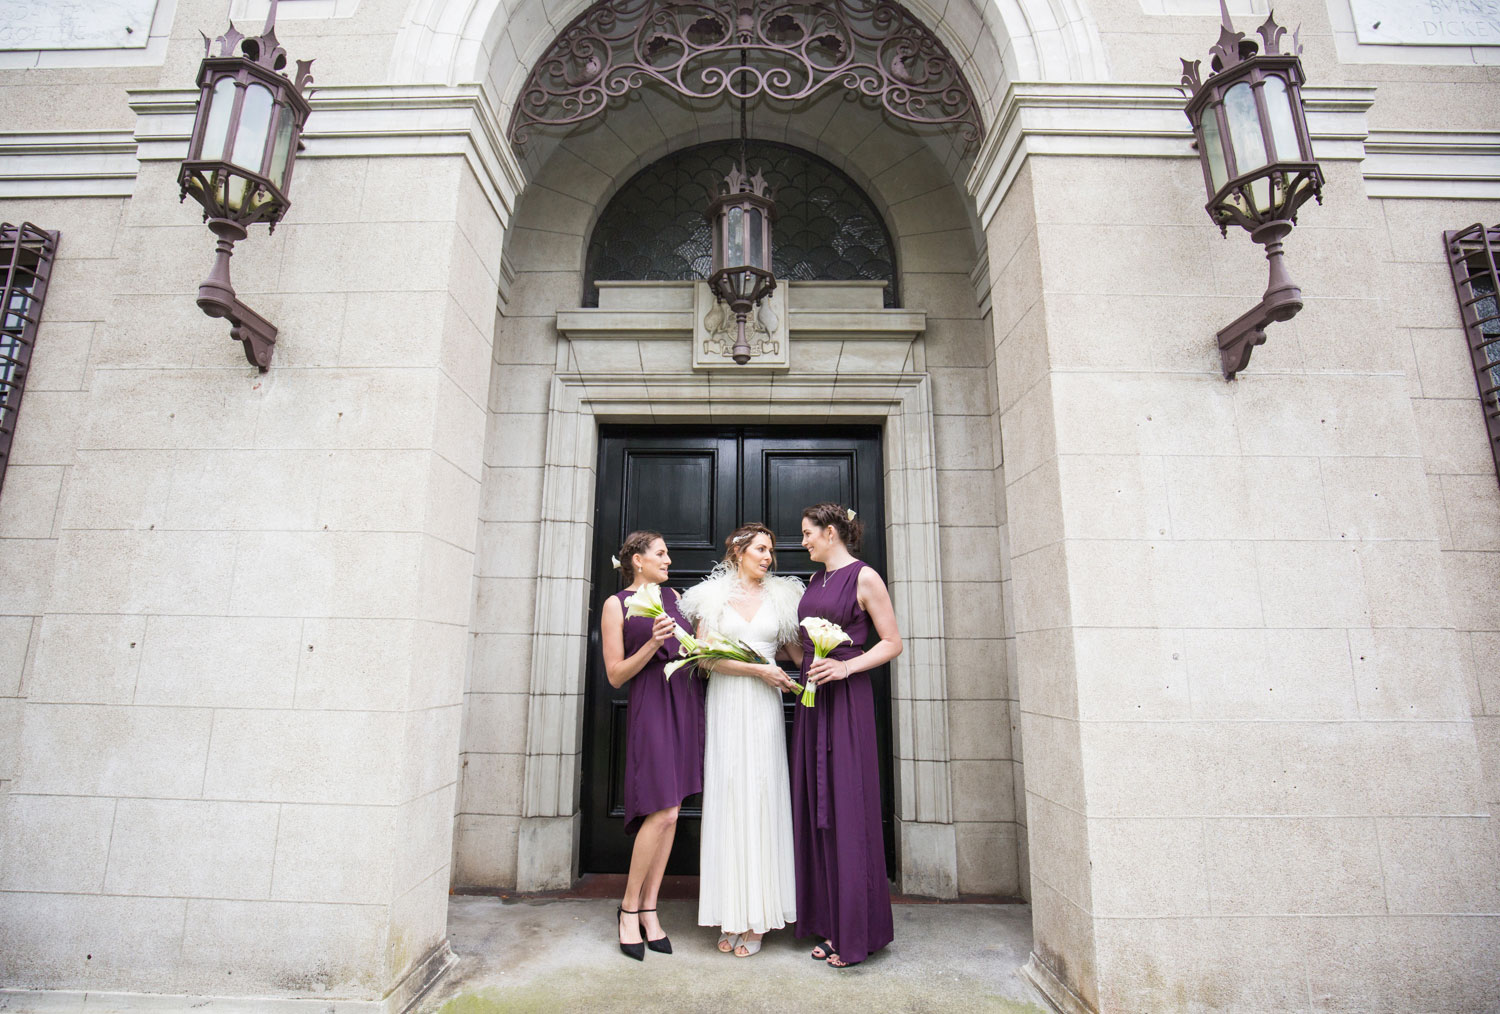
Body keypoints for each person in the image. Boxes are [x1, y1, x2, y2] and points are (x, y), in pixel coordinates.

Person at [679, 523, 803, 958]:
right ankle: (731, 913)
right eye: (761, 549)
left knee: (761, 797)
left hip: (765, 709)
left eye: (771, 550)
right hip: (728, 704)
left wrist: (830, 660)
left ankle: (759, 917)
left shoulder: (783, 598)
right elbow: (706, 658)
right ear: (738, 552)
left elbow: (794, 654)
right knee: (731, 798)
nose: (768, 556)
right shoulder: (710, 599)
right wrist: (759, 670)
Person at [791, 502, 902, 967]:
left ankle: (856, 932)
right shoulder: (814, 581)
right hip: (813, 703)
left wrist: (845, 666)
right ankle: (828, 919)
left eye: (807, 533)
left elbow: (892, 642)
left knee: (848, 805)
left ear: (830, 532)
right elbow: (799, 644)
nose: (802, 541)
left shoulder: (865, 577)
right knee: (818, 806)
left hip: (848, 702)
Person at [599, 530, 705, 960]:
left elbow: (692, 650)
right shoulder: (616, 604)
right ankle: (627, 908)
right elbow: (615, 674)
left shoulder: (675, 597)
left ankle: (649, 908)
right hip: (652, 707)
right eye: (661, 553)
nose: (668, 559)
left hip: (686, 704)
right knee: (659, 811)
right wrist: (653, 642)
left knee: (674, 811)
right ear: (637, 560)